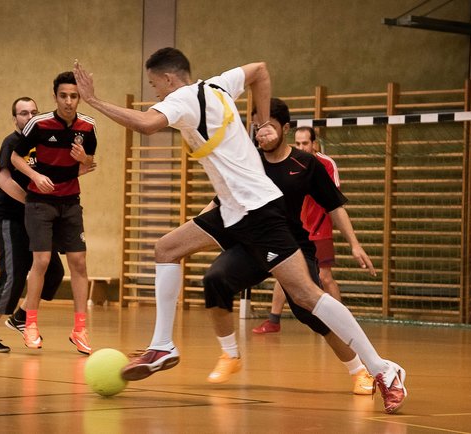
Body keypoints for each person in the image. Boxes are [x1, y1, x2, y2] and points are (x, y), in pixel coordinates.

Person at [73, 48, 407, 413]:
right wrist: (262, 120)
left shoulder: (183, 98)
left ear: (169, 79)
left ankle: (382, 369)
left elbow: (145, 124)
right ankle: (164, 344)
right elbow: (260, 70)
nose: (155, 94)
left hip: (257, 210)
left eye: (154, 85)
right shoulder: (218, 85)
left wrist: (92, 100)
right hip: (232, 208)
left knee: (307, 296)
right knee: (166, 248)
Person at [206, 99, 373, 395]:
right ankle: (230, 355)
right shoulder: (249, 161)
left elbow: (335, 207)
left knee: (308, 310)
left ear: (285, 128)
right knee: (215, 279)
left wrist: (355, 245)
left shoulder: (306, 164)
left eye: (268, 126)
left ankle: (359, 370)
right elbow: (221, 201)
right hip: (254, 245)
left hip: (292, 247)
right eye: (257, 126)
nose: (261, 132)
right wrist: (193, 229)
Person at [0, 97, 72, 353]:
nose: (29, 117)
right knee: (13, 274)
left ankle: (20, 316)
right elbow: (4, 181)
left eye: (34, 113)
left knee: (53, 273)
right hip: (12, 218)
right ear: (15, 118)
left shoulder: (43, 143)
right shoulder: (12, 143)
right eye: (23, 113)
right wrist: (33, 202)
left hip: (37, 220)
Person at [10, 72, 97, 354]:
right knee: (43, 260)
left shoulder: (88, 126)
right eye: (63, 96)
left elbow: (90, 161)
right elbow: (14, 157)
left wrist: (85, 160)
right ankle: (31, 324)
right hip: (40, 202)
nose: (69, 101)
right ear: (55, 96)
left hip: (70, 201)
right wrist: (35, 176)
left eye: (74, 96)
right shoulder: (38, 123)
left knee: (79, 262)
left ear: (79, 97)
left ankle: (80, 329)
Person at [253, 126, 342, 334]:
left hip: (319, 228)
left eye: (305, 143)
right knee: (285, 272)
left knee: (325, 277)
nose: (301, 147)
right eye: (298, 143)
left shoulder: (324, 164)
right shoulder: (291, 162)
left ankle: (342, 322)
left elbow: (333, 200)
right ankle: (273, 320)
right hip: (295, 229)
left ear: (314, 144)